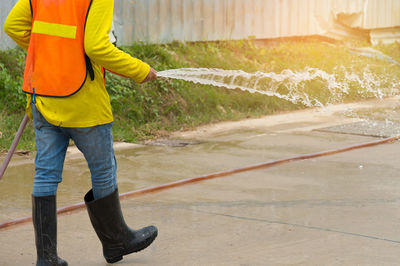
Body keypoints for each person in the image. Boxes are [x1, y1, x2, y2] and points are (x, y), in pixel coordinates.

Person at [4, 0, 158, 265]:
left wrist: (52, 55)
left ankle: (47, 257)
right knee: (103, 169)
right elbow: (96, 47)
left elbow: (13, 26)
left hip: (43, 96)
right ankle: (115, 242)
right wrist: (140, 70)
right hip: (83, 103)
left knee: (45, 173)